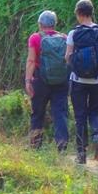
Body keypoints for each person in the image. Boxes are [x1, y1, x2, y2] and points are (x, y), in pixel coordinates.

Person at [65, 0, 98, 164]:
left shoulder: (73, 33)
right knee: (94, 111)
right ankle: (96, 135)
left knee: (80, 116)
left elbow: (67, 57)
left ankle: (81, 154)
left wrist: (75, 66)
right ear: (91, 12)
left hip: (78, 80)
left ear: (78, 14)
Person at [25, 10, 70, 151]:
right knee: (60, 113)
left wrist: (28, 80)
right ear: (55, 23)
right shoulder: (64, 38)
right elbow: (68, 60)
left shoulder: (35, 38)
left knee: (38, 112)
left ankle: (35, 146)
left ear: (40, 24)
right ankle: (62, 145)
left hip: (40, 80)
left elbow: (32, 60)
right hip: (61, 81)